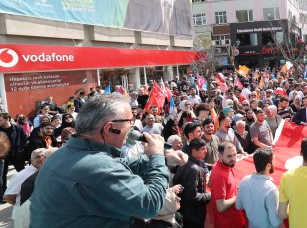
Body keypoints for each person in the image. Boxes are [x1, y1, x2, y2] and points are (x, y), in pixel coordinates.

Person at [30, 93, 187, 227]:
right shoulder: (98, 167)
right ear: (110, 128)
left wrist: (164, 158)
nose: (133, 127)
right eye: (130, 121)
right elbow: (150, 204)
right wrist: (157, 157)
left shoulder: (64, 153)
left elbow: (119, 165)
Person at [236, 147, 283, 228]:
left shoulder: (244, 181)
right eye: (274, 161)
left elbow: (238, 206)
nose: (275, 163)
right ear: (268, 165)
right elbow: (275, 222)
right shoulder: (271, 189)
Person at [173, 137, 210, 228]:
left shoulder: (186, 163)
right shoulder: (194, 169)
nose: (206, 151)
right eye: (203, 149)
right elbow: (192, 196)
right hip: (193, 214)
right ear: (194, 151)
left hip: (184, 210)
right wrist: (209, 195)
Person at [209, 142, 246, 227]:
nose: (233, 158)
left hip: (233, 219)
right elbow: (221, 207)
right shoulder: (220, 175)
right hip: (229, 223)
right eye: (229, 156)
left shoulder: (222, 164)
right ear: (220, 156)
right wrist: (239, 195)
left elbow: (210, 184)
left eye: (235, 154)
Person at [3, 148, 46, 220]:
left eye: (44, 156)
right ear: (31, 160)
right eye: (38, 157)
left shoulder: (49, 172)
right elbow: (8, 197)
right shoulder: (21, 175)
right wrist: (20, 205)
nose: (41, 158)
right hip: (24, 217)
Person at [0, 112, 27, 199]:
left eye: (0, 120)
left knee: (22, 172)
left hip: (16, 154)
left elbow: (24, 138)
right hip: (3, 156)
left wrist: (20, 149)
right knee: (2, 175)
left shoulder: (18, 128)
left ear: (7, 119)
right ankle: (3, 193)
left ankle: (28, 188)